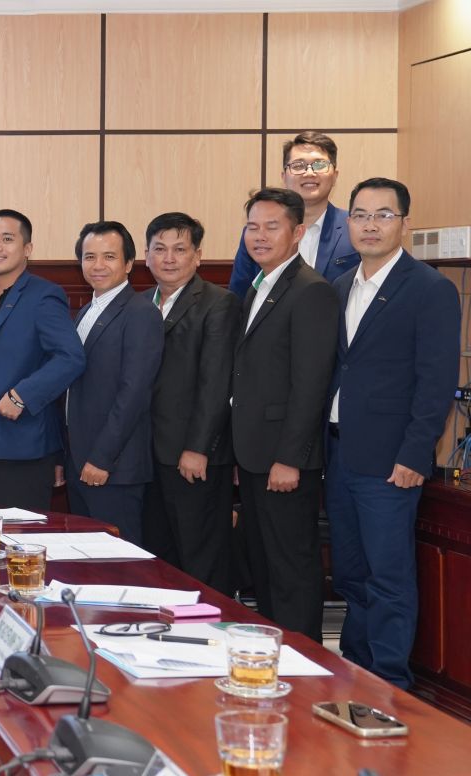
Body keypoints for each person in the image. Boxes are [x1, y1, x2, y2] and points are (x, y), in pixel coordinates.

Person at [326, 178, 459, 689]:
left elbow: (436, 381)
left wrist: (415, 453)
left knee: (388, 576)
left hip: (390, 461)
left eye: (384, 215)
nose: (371, 225)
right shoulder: (340, 286)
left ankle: (389, 685)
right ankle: (354, 671)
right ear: (349, 223)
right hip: (340, 453)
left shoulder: (429, 288)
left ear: (404, 222)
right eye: (361, 215)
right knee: (350, 573)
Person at [231, 187, 340, 642]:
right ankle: (276, 659)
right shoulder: (260, 285)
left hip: (284, 459)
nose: (259, 236)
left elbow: (311, 384)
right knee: (264, 568)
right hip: (255, 454)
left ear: (297, 233)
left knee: (291, 570)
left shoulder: (311, 290)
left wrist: (290, 458)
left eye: (271, 227)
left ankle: (304, 662)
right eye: (252, 227)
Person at [140, 212, 240, 594]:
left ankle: (211, 623)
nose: (169, 258)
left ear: (198, 256)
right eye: (160, 249)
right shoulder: (140, 304)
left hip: (192, 456)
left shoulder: (218, 303)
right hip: (148, 454)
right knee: (159, 556)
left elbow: (216, 384)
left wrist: (198, 448)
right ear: (146, 256)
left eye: (180, 249)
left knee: (201, 559)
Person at [0, 209, 85, 511]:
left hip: (23, 445)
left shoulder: (44, 296)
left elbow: (71, 357)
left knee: (20, 536)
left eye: (7, 239)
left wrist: (21, 396)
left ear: (27, 249)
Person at [63, 221, 162, 542]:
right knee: (84, 557)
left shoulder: (140, 312)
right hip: (80, 460)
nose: (98, 265)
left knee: (118, 560)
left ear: (129, 263)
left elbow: (134, 393)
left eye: (109, 257)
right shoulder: (86, 311)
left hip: (112, 467)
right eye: (89, 257)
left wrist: (101, 458)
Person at [228, 132, 359, 297]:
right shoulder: (257, 233)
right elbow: (239, 294)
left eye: (319, 165)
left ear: (334, 176)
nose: (309, 173)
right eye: (298, 165)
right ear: (284, 177)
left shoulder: (354, 227)